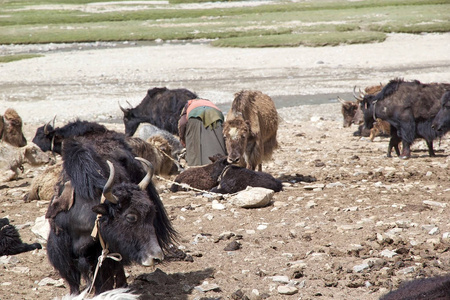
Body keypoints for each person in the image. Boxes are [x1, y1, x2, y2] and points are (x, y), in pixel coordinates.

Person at [178, 98, 226, 166]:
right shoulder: (211, 104)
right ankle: (220, 165)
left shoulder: (188, 105)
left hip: (194, 118)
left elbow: (182, 123)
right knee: (217, 143)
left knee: (194, 148)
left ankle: (195, 167)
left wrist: (182, 138)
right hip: (216, 116)